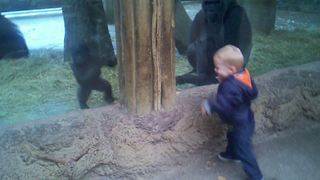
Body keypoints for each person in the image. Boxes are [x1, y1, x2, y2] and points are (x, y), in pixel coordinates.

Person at [201, 45, 263, 180]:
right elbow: (251, 93)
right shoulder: (242, 77)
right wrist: (226, 79)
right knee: (232, 137)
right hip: (241, 119)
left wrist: (209, 105)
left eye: (218, 67)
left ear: (231, 69)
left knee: (244, 150)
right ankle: (232, 154)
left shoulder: (231, 85)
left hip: (240, 123)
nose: (215, 69)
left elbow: (224, 104)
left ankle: (256, 176)